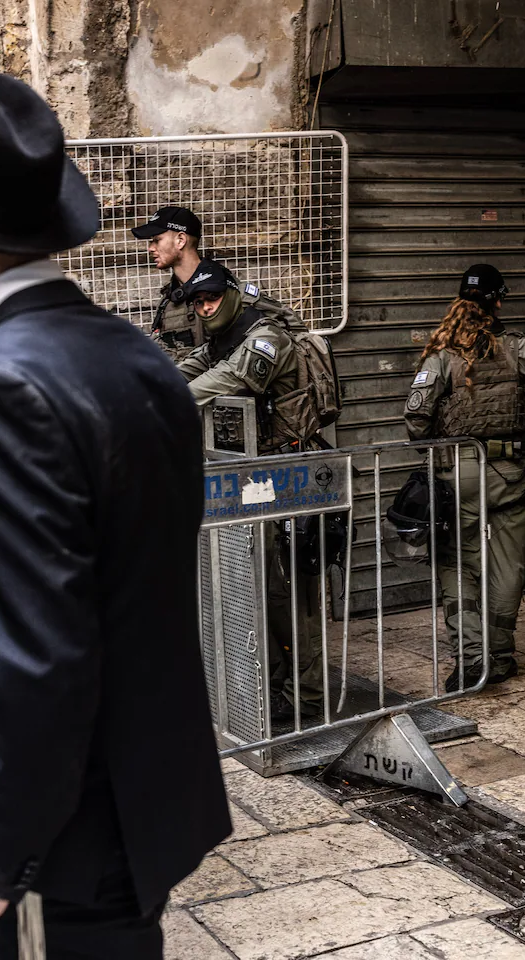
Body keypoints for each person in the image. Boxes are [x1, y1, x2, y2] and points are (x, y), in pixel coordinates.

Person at [0, 72, 230, 958]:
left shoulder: (0, 384)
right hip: (135, 804)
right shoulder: (135, 356)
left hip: (53, 840)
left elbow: (41, 659)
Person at [176, 258, 326, 723]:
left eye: (212, 298)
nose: (204, 308)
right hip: (257, 480)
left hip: (290, 478)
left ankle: (308, 693)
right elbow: (187, 370)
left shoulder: (265, 336)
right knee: (259, 588)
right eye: (198, 301)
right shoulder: (223, 340)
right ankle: (277, 684)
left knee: (288, 593)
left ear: (233, 294)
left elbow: (236, 377)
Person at [403, 264, 525, 687]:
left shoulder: (441, 354)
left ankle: (472, 658)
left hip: (457, 473)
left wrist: (434, 447)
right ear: (498, 301)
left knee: (458, 564)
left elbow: (416, 415)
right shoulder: (520, 347)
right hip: (512, 471)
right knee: (507, 567)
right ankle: (501, 655)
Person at [131, 205, 204, 360]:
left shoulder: (222, 292)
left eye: (157, 240)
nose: (150, 248)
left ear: (181, 240)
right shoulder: (168, 301)